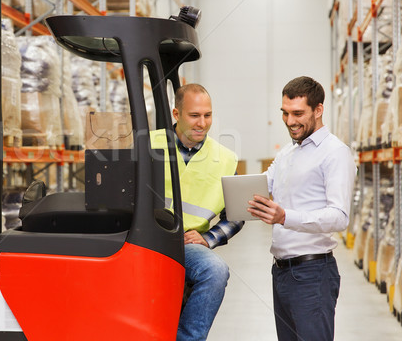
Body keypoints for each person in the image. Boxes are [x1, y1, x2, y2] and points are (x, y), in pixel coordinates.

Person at [248, 76, 356, 341]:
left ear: (318, 110)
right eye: (284, 113)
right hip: (281, 272)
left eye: (298, 113)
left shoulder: (335, 153)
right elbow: (260, 185)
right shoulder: (288, 152)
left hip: (312, 275)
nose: (289, 121)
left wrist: (285, 217)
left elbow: (339, 217)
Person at [150, 83, 244, 341]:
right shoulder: (148, 145)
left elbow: (236, 214)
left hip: (188, 246)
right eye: (194, 115)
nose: (202, 123)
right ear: (176, 114)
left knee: (215, 270)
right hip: (145, 240)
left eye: (207, 115)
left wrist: (208, 238)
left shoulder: (224, 158)